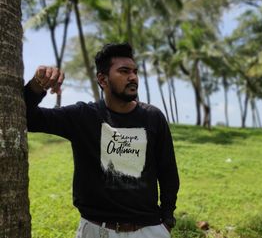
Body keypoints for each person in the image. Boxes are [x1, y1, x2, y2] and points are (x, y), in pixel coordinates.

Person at [24, 43, 179, 238]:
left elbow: (168, 173)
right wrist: (36, 86)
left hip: (148, 230)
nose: (133, 77)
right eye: (124, 71)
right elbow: (28, 118)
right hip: (96, 229)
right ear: (102, 79)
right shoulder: (83, 116)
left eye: (134, 71)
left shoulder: (153, 117)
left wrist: (167, 220)